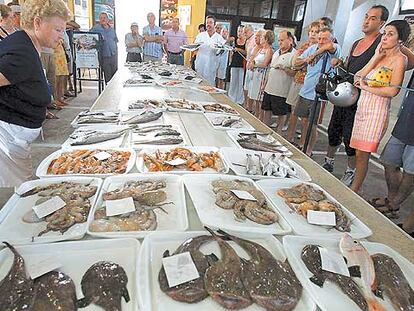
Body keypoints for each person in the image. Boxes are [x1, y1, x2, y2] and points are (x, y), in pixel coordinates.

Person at [0, 0, 70, 187]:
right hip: (7, 139)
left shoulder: (27, 44)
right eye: (57, 29)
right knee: (20, 197)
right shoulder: (22, 51)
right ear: (38, 22)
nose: (60, 36)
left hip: (17, 140)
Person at [322, 5, 388, 186]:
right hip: (344, 94)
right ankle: (329, 160)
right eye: (366, 16)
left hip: (362, 101)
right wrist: (339, 62)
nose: (366, 20)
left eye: (373, 18)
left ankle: (351, 171)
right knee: (333, 129)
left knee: (350, 139)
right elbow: (349, 64)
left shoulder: (382, 44)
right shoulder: (356, 43)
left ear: (382, 23)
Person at [350, 20, 410, 193]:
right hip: (363, 107)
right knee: (357, 152)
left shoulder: (400, 59)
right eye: (385, 33)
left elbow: (392, 91)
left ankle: (356, 188)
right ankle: (356, 184)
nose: (385, 37)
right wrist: (376, 56)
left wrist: (366, 87)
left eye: (390, 34)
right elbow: (358, 75)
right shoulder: (380, 55)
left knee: (364, 153)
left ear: (400, 40)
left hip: (377, 111)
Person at [374, 77, 414, 235]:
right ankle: (392, 200)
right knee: (389, 161)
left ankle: (395, 205)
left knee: (410, 173)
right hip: (404, 124)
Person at [292, 27, 341, 156]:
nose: (321, 41)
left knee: (312, 124)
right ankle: (303, 143)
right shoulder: (312, 47)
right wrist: (306, 59)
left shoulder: (334, 49)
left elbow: (330, 46)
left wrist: (314, 55)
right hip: (306, 90)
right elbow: (296, 62)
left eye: (324, 38)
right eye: (319, 38)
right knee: (303, 121)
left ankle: (309, 149)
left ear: (332, 39)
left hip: (319, 95)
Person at [286, 21, 320, 144]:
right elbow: (295, 62)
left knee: (307, 120)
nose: (313, 34)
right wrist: (304, 61)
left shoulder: (322, 50)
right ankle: (290, 137)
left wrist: (302, 63)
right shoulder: (305, 47)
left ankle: (304, 142)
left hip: (310, 86)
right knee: (294, 112)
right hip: (298, 81)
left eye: (316, 32)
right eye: (311, 32)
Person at [261, 30, 296, 129]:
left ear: (290, 40)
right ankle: (264, 131)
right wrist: (265, 83)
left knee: (281, 114)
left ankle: (279, 134)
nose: (280, 42)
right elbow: (271, 69)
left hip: (282, 91)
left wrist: (284, 68)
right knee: (266, 110)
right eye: (279, 40)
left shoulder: (294, 54)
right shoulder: (277, 52)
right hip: (270, 88)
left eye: (282, 40)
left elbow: (294, 72)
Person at [247, 29, 273, 116]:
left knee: (260, 100)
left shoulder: (269, 50)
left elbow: (265, 64)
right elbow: (254, 59)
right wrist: (251, 63)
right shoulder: (260, 49)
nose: (260, 38)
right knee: (255, 98)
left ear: (266, 38)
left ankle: (260, 117)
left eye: (262, 37)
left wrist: (254, 64)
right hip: (255, 75)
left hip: (262, 76)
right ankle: (256, 114)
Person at [194, 15, 225, 85]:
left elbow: (222, 50)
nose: (208, 24)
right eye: (207, 22)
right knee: (198, 84)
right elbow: (195, 47)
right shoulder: (200, 35)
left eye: (210, 22)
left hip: (212, 65)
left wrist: (219, 49)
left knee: (209, 85)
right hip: (200, 64)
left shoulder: (219, 38)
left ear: (214, 24)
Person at [91, 12, 118, 83]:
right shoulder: (96, 28)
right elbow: (89, 37)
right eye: (101, 18)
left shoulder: (112, 29)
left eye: (104, 18)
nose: (103, 19)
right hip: (104, 56)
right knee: (108, 77)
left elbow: (115, 40)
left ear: (107, 19)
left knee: (115, 76)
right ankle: (109, 92)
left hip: (114, 56)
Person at [228, 25, 246, 105]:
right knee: (233, 82)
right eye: (238, 31)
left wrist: (238, 49)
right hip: (234, 63)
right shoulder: (234, 40)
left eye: (241, 31)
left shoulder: (246, 41)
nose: (239, 33)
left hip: (242, 64)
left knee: (240, 82)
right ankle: (231, 98)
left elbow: (246, 53)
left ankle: (239, 100)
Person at [243, 24, 256, 111]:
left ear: (251, 31)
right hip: (247, 65)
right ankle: (246, 105)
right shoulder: (247, 40)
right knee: (246, 87)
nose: (244, 34)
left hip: (253, 67)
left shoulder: (254, 40)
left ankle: (250, 107)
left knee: (251, 89)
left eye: (246, 32)